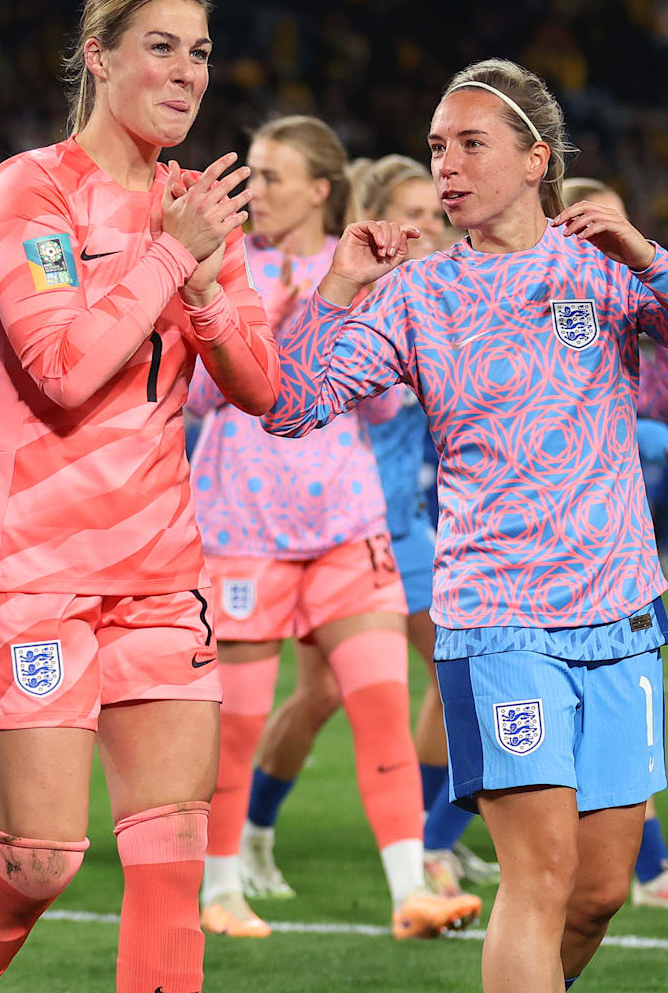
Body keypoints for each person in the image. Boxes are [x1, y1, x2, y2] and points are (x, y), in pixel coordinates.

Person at [264, 59, 668, 990]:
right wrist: (335, 289)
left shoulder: (604, 268)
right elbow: (290, 403)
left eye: (469, 144)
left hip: (620, 616)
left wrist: (647, 253)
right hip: (498, 618)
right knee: (541, 876)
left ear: (536, 159)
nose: (446, 165)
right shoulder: (414, 294)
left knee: (602, 888)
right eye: (436, 148)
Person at [0, 0, 276, 993]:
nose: (186, 71)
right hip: (33, 569)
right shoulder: (27, 191)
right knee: (41, 858)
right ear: (100, 56)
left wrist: (207, 285)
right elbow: (64, 368)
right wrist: (174, 258)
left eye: (202, 52)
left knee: (170, 863)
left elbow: (260, 384)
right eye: (162, 46)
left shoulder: (195, 208)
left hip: (160, 572)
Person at [198, 134, 480, 942]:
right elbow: (192, 395)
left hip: (347, 525)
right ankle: (220, 889)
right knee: (241, 723)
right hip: (243, 529)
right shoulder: (222, 262)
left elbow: (386, 405)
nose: (256, 189)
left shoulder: (360, 262)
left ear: (322, 189)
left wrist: (367, 307)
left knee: (383, 708)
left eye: (274, 175)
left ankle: (408, 890)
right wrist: (269, 332)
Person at [555, 177, 668, 914]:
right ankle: (426, 850)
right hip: (518, 572)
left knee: (595, 884)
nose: (605, 242)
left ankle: (431, 845)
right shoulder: (545, 300)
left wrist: (647, 257)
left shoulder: (634, 303)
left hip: (618, 563)